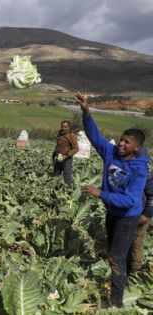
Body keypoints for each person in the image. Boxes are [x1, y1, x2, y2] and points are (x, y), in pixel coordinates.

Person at [77, 94, 148, 308]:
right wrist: (87, 112)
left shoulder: (140, 169)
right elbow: (95, 137)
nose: (121, 144)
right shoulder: (111, 153)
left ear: (137, 148)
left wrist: (101, 194)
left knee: (116, 258)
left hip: (128, 217)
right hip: (112, 213)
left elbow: (129, 200)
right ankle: (121, 282)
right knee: (115, 252)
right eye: (121, 139)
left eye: (127, 142)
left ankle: (117, 304)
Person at [128, 149, 153, 274]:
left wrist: (146, 215)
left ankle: (135, 269)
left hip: (141, 214)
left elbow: (152, 197)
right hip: (127, 212)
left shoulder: (148, 177)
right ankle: (124, 264)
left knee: (136, 240)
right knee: (125, 238)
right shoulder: (127, 172)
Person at [52, 120, 79, 188]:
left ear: (69, 127)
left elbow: (76, 149)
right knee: (55, 175)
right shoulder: (60, 133)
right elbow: (58, 146)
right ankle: (55, 190)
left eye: (65, 127)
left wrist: (66, 156)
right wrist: (53, 156)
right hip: (58, 158)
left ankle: (68, 191)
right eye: (62, 126)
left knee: (67, 177)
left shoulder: (71, 135)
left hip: (67, 159)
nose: (63, 128)